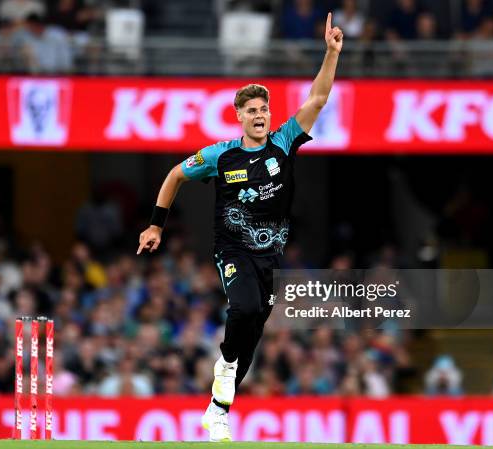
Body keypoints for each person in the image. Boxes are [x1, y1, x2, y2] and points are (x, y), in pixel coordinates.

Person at [137, 12, 342, 442]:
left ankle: (218, 409)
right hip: (231, 250)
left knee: (252, 333)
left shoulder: (285, 142)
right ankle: (225, 370)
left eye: (264, 109)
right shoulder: (220, 155)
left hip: (270, 255)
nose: (260, 115)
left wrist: (331, 53)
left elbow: (318, 100)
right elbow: (175, 174)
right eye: (252, 110)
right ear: (239, 117)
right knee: (244, 310)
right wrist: (156, 226)